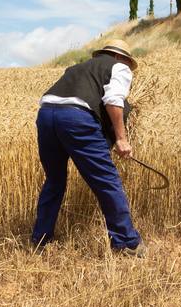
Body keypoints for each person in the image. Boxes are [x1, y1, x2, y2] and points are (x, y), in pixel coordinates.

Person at [32, 41, 143, 254]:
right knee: (106, 180)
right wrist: (121, 138)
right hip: (76, 118)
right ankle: (127, 243)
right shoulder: (118, 67)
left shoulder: (77, 68)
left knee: (54, 181)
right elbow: (113, 101)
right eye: (128, 62)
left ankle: (40, 239)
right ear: (121, 58)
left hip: (46, 115)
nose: (128, 67)